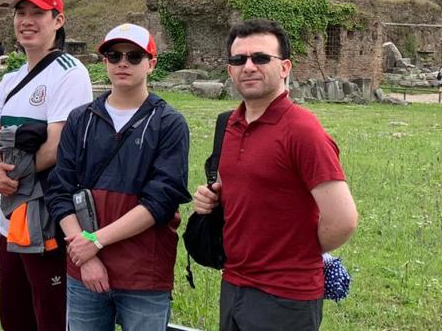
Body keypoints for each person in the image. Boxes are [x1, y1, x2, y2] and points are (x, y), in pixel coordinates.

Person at [192, 19, 358, 331]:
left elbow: (343, 220)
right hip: (234, 283)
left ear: (284, 67)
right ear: (229, 70)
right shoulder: (229, 125)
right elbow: (245, 189)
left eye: (261, 58)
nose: (249, 66)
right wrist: (211, 198)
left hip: (285, 296)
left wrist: (294, 254)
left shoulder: (303, 131)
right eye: (239, 60)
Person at [46, 23, 191, 330]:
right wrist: (86, 256)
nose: (123, 63)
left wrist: (95, 242)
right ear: (105, 63)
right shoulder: (80, 119)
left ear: (151, 63)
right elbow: (60, 190)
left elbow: (160, 201)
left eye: (134, 56)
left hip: (143, 273)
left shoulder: (169, 123)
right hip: (83, 270)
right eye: (114, 56)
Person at [0, 0, 93, 331]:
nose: (27, 21)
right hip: (9, 219)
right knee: (14, 315)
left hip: (45, 217)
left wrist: (6, 176)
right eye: (21, 13)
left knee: (50, 317)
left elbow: (58, 146)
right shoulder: (11, 79)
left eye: (37, 14)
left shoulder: (71, 74)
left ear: (58, 20)